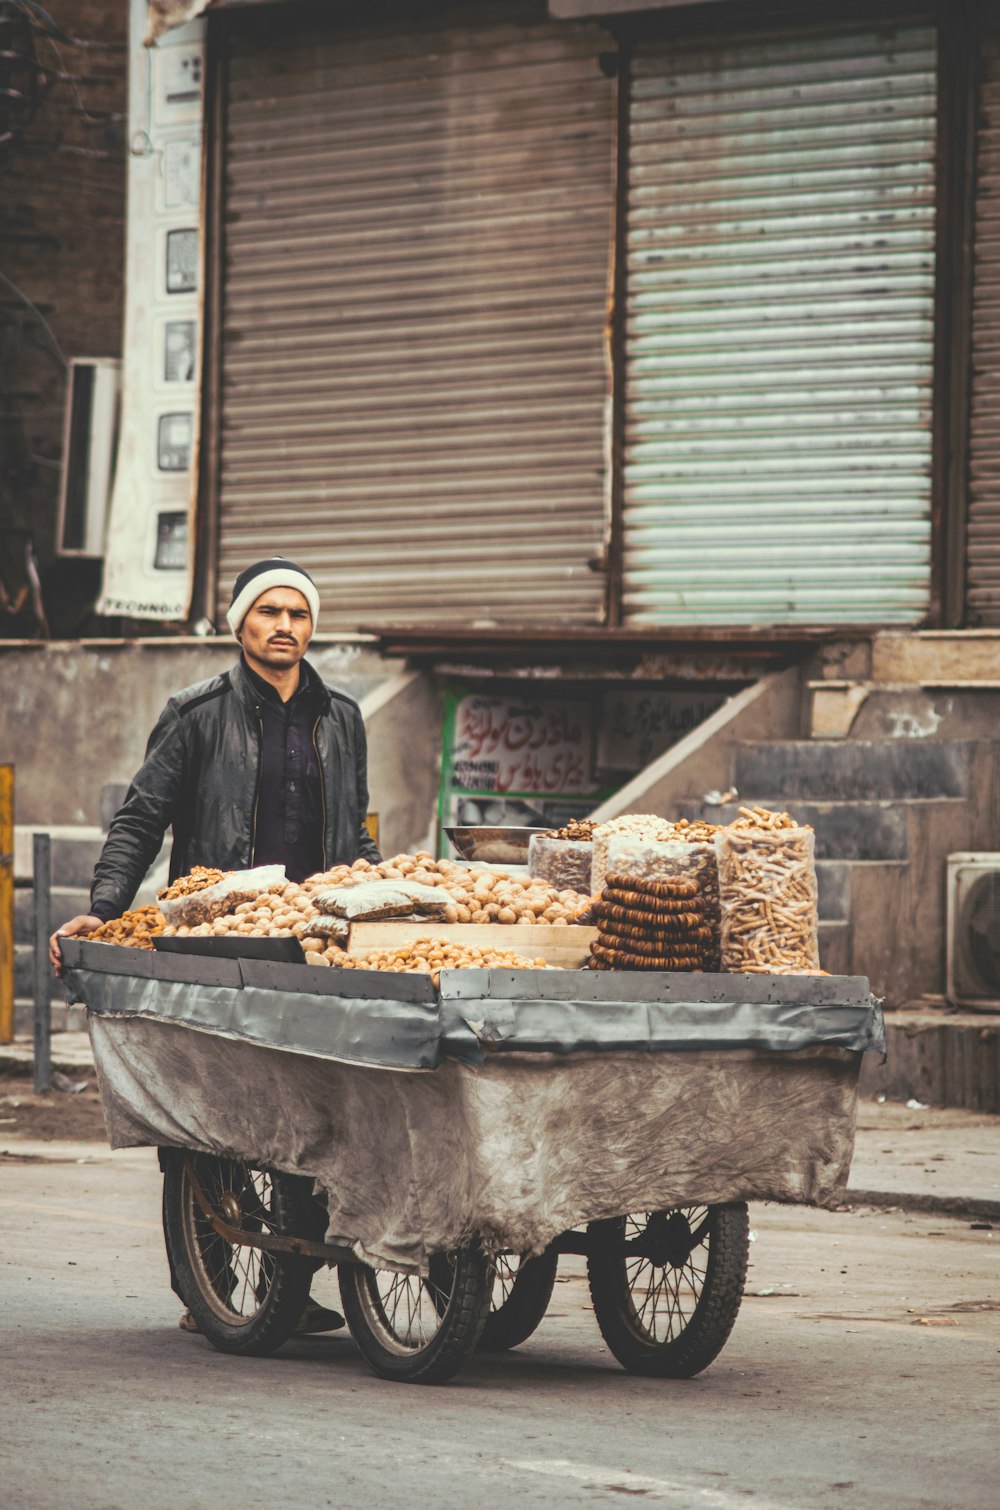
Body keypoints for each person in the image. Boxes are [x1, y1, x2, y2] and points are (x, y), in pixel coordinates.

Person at [51, 556, 382, 1334]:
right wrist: (105, 906)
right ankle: (210, 1288)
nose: (285, 627)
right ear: (240, 626)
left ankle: (288, 1285)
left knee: (305, 1106)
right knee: (215, 1110)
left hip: (307, 941)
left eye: (298, 615)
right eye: (269, 613)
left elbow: (356, 830)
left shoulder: (343, 716)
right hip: (215, 939)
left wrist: (378, 899)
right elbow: (140, 819)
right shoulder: (196, 712)